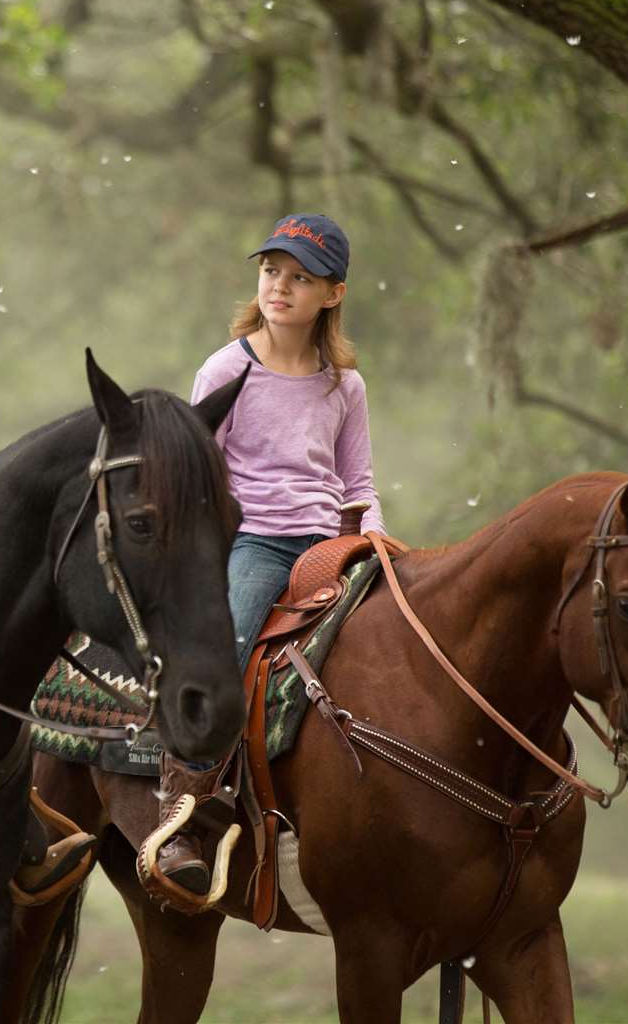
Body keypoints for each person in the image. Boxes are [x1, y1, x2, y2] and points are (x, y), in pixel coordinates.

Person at [156, 213, 387, 894]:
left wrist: (373, 533)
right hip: (255, 540)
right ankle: (182, 814)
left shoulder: (344, 385)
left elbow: (358, 482)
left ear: (333, 294)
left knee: (394, 642)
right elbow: (200, 470)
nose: (280, 287)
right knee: (224, 648)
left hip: (332, 545)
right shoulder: (228, 369)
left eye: (300, 278)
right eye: (271, 272)